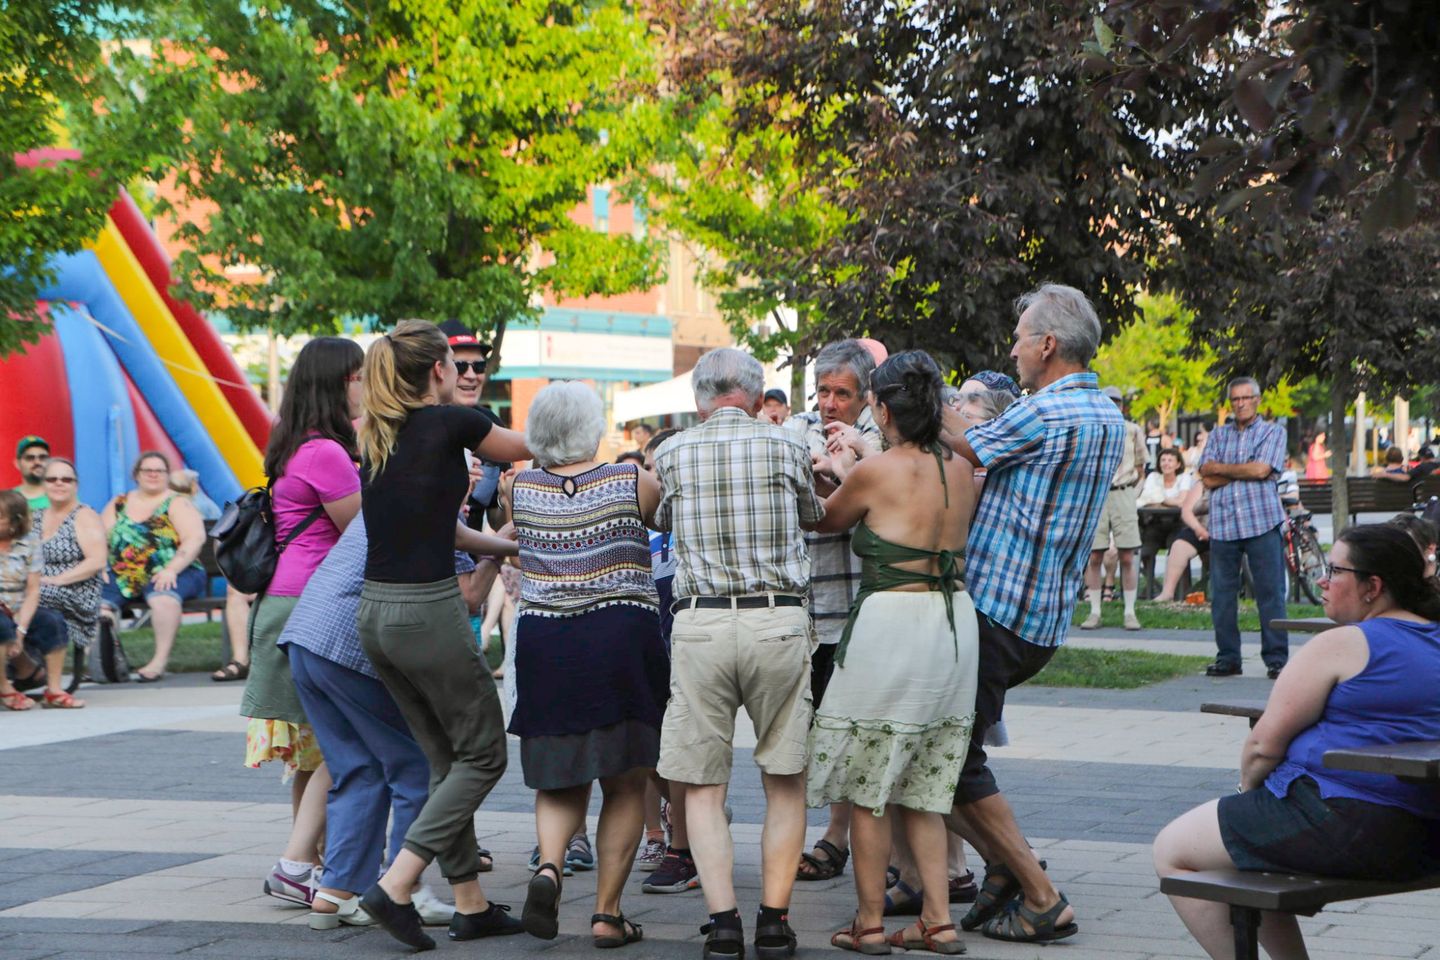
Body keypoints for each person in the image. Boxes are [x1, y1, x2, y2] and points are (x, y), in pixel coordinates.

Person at [1154, 523, 1440, 960]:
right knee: (1245, 848)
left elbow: (1263, 746)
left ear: (1373, 586)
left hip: (1343, 821)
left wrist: (1247, 795)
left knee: (1173, 849)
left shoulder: (1344, 643)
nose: (1321, 580)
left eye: (1334, 569)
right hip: (1423, 833)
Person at [939, 283, 1125, 944]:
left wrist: (910, 396)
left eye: (1020, 337)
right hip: (1040, 618)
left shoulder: (1048, 412)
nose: (1013, 350)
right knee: (948, 754)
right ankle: (1002, 872)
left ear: (1047, 345)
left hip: (998, 611)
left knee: (946, 759)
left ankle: (1039, 893)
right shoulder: (1106, 412)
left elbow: (967, 439)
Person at [354, 319, 531, 952]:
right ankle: (396, 886)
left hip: (377, 613)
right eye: (457, 365)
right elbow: (528, 445)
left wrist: (502, 547)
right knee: (484, 754)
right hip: (426, 613)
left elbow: (441, 529)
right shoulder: (451, 423)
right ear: (440, 371)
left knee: (444, 760)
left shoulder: (379, 432)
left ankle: (470, 904)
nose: (466, 374)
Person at [652, 347, 824, 960]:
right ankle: (774, 921)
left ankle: (723, 924)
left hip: (700, 625)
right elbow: (815, 516)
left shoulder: (669, 451)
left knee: (701, 785)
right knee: (785, 779)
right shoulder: (787, 446)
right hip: (776, 619)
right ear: (755, 396)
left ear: (700, 399)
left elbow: (663, 516)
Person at [808, 351, 977, 956]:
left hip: (893, 621)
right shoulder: (960, 467)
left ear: (880, 407)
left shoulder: (876, 468)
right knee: (927, 781)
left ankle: (871, 923)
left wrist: (835, 466)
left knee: (866, 780)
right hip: (953, 623)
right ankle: (938, 920)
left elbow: (824, 522)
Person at [279, 508, 519, 933]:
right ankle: (406, 891)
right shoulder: (431, 497)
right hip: (349, 646)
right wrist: (498, 548)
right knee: (416, 766)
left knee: (357, 769)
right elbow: (469, 595)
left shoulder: (382, 491)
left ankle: (335, 894)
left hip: (307, 637)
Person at [508, 382, 670, 948]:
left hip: (546, 642)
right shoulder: (631, 481)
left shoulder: (518, 488)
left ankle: (550, 866)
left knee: (559, 777)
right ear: (592, 428)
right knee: (625, 781)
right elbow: (670, 522)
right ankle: (606, 914)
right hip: (619, 639)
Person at [238, 337, 365, 908]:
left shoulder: (296, 446)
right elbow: (362, 531)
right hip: (311, 605)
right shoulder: (327, 454)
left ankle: (306, 862)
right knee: (348, 746)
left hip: (285, 601)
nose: (367, 386)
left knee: (318, 750)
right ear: (338, 383)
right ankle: (298, 863)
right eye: (360, 376)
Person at [785, 339, 883, 886]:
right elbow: (796, 499)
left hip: (858, 607)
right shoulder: (796, 429)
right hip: (807, 607)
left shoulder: (879, 435)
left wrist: (843, 474)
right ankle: (804, 833)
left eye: (841, 393)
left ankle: (836, 837)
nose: (828, 403)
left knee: (850, 729)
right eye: (822, 390)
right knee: (808, 729)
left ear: (864, 395)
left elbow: (869, 503)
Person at [1198, 378, 1290, 679]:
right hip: (1224, 525)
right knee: (1222, 595)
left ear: (1257, 400)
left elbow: (1263, 469)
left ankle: (1276, 659)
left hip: (1261, 521)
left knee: (1270, 593)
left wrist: (1223, 468)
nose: (1240, 404)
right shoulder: (1218, 434)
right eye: (1234, 399)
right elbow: (1206, 476)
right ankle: (1228, 658)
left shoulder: (1273, 432)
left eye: (1245, 398)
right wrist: (1245, 468)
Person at [100, 451, 207, 681]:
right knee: (97, 606)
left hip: (176, 569)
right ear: (136, 474)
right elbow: (100, 538)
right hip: (124, 572)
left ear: (167, 475)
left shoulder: (177, 503)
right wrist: (100, 565)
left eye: (159, 470)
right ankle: (104, 660)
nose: (153, 475)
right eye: (147, 470)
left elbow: (194, 538)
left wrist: (172, 569)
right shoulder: (119, 503)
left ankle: (158, 661)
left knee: (163, 598)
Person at [0, 490, 78, 709]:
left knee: (51, 621)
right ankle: (5, 689)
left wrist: (21, 630)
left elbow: (33, 590)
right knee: (1, 625)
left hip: (20, 605)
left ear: (15, 521)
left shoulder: (30, 543)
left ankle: (54, 690)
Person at [1081, 386, 1148, 631]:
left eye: (1116, 402)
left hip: (1123, 492)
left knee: (1127, 555)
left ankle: (1130, 612)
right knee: (1095, 555)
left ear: (1122, 405)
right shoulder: (1091, 430)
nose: (1113, 405)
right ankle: (1095, 611)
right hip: (1097, 494)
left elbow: (1142, 466)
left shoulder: (1133, 430)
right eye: (1108, 401)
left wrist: (1134, 493)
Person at [36, 458, 106, 676]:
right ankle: (21, 664)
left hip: (76, 592)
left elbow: (97, 561)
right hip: (39, 587)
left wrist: (58, 579)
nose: (59, 483)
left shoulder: (84, 516)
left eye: (66, 479)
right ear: (44, 485)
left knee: (32, 595)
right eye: (52, 479)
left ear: (75, 485)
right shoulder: (36, 517)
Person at [1153, 480, 1211, 603]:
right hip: (1201, 526)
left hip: (1227, 530)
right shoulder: (1203, 484)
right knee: (1179, 545)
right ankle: (1167, 593)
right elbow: (1186, 511)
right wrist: (1198, 528)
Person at [11, 436, 50, 511]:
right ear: (17, 464)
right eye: (30, 458)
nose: (37, 462)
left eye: (43, 457)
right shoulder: (7, 500)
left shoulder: (61, 495)